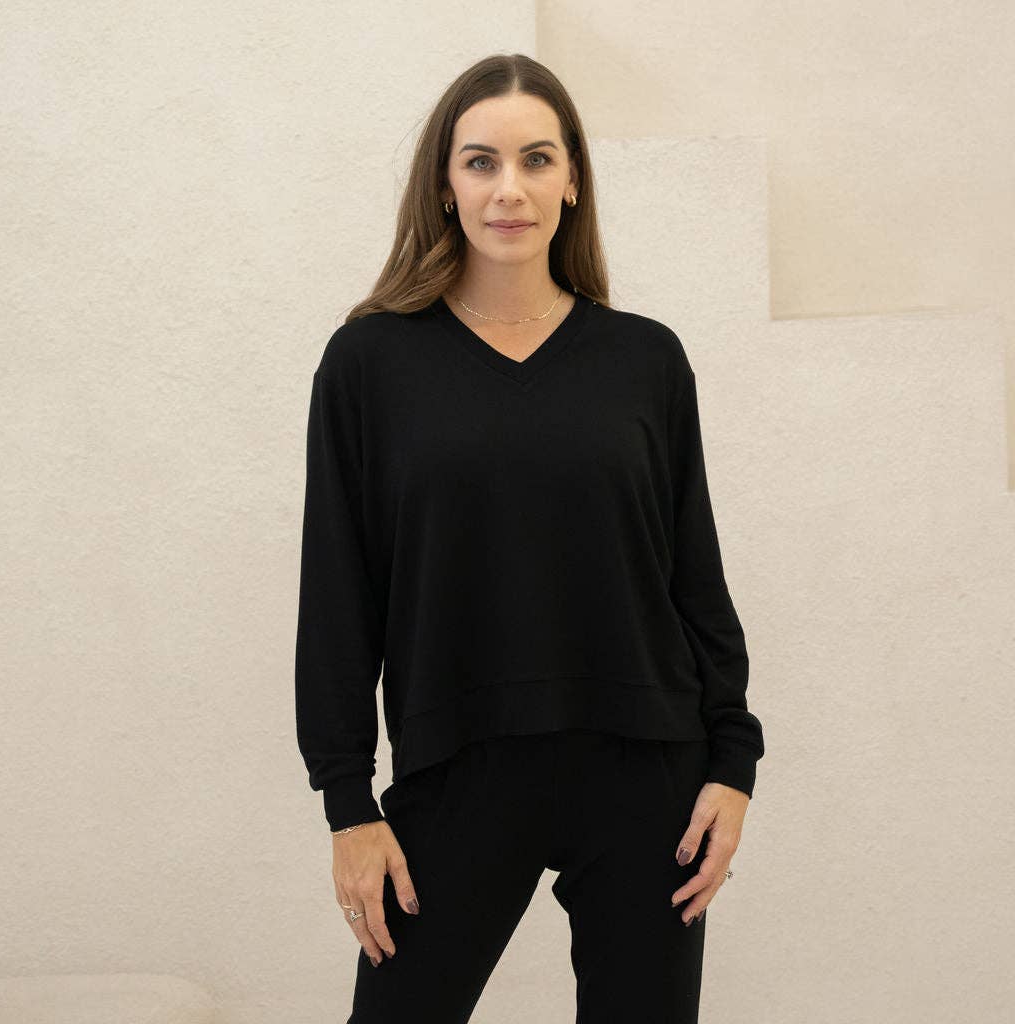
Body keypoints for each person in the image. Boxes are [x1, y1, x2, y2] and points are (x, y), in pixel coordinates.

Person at [294, 53, 765, 1024]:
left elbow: (692, 573)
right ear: (445, 183)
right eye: (481, 162)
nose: (509, 188)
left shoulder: (644, 359)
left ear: (572, 179)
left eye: (536, 159)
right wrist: (347, 802)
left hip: (648, 770)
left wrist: (732, 762)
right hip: (457, 766)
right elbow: (338, 591)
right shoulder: (369, 363)